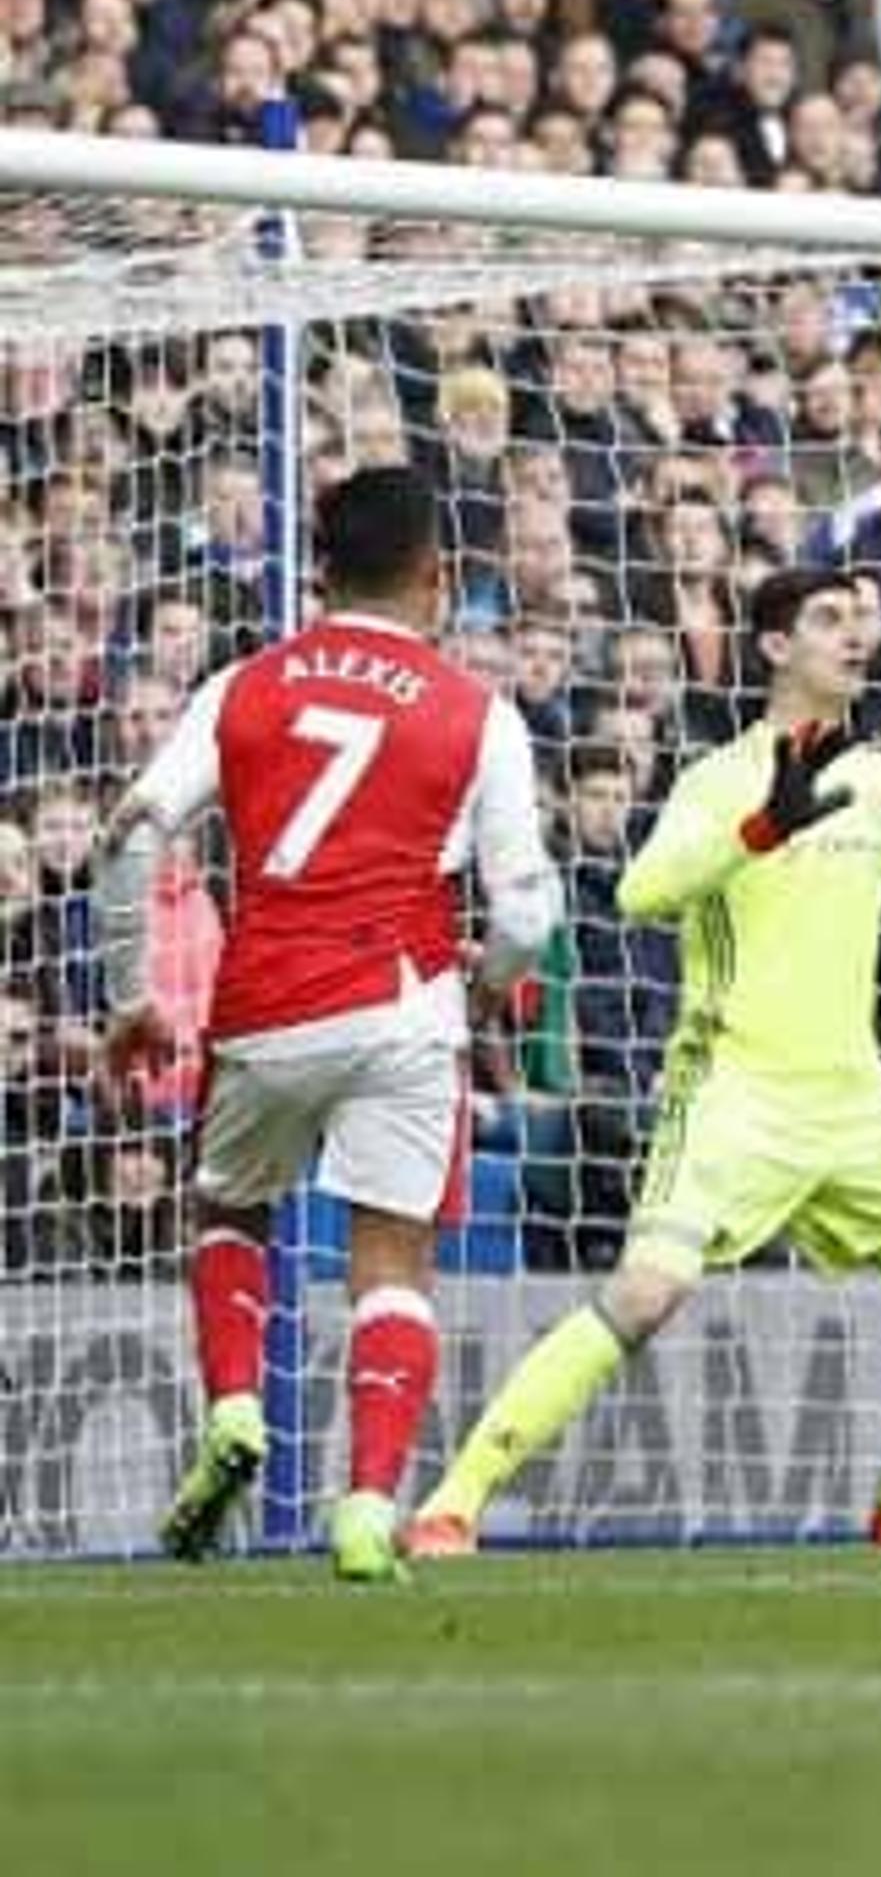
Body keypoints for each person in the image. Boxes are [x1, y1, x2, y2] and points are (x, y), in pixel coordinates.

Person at [407, 567, 881, 1559]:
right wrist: (765, 826)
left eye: (860, 620)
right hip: (734, 1091)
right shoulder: (719, 779)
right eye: (828, 618)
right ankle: (453, 1501)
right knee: (644, 1293)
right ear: (773, 647)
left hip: (853, 1098)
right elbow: (639, 891)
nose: (853, 635)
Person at [97, 465, 560, 1582]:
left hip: (262, 1004)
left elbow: (128, 831)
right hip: (404, 1006)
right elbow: (531, 912)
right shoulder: (476, 711)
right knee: (391, 1258)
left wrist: (127, 996)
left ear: (322, 568)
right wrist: (492, 983)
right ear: (435, 574)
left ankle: (239, 1407)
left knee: (228, 1206)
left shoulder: (244, 684)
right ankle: (365, 1506)